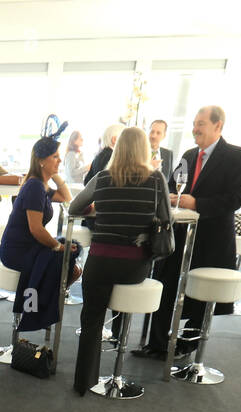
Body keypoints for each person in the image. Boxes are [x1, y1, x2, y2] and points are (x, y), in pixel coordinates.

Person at [135, 105, 241, 360]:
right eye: (194, 123)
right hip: (178, 234)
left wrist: (196, 203)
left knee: (199, 296)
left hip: (212, 238)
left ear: (218, 126)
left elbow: (235, 198)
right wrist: (173, 197)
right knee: (165, 282)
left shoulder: (236, 155)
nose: (195, 128)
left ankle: (187, 346)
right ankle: (157, 344)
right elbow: (175, 187)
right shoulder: (188, 154)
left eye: (201, 124)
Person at [67, 127, 171, 395]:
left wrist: (97, 210)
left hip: (100, 262)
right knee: (121, 302)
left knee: (91, 319)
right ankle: (119, 357)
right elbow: (166, 218)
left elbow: (74, 208)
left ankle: (83, 383)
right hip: (134, 266)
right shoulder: (156, 180)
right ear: (144, 149)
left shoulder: (101, 178)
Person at [0, 126, 78, 336]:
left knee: (72, 251)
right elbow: (36, 229)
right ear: (42, 160)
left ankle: (47, 299)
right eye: (55, 157)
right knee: (63, 254)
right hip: (17, 250)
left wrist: (57, 176)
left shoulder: (41, 185)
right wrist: (57, 246)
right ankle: (38, 308)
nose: (59, 160)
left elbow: (66, 197)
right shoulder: (34, 187)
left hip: (28, 245)